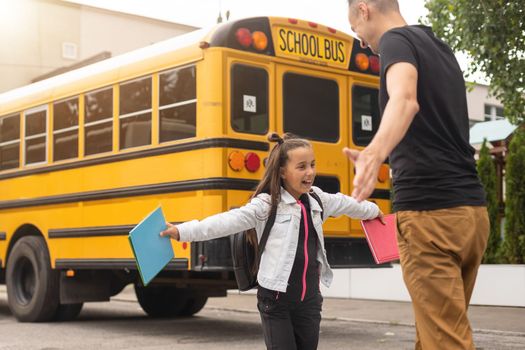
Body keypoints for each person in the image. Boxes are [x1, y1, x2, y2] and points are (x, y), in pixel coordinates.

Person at [344, 1, 489, 349]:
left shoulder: (396, 42)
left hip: (431, 215)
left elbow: (404, 99)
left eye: (355, 30)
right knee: (435, 333)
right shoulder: (440, 48)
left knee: (445, 341)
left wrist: (374, 154)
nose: (361, 42)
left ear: (364, 9)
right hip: (470, 214)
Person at [161, 132, 383, 350]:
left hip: (310, 302)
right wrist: (182, 231)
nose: (310, 172)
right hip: (276, 300)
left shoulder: (317, 199)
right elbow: (224, 222)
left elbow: (347, 203)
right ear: (282, 172)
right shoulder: (266, 205)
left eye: (312, 165)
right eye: (302, 166)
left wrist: (373, 211)